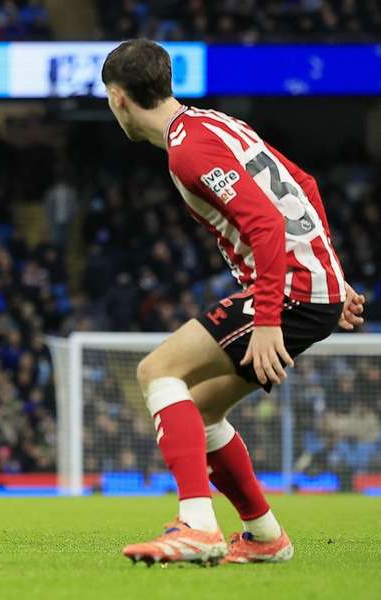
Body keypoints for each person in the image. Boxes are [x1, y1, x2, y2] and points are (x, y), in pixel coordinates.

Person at [101, 39, 366, 565]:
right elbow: (304, 185)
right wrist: (331, 277)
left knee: (157, 371)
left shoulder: (189, 151)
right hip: (308, 285)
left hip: (288, 290)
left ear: (118, 98)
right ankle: (265, 536)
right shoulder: (214, 123)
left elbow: (266, 223)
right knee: (199, 410)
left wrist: (267, 320)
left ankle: (197, 526)